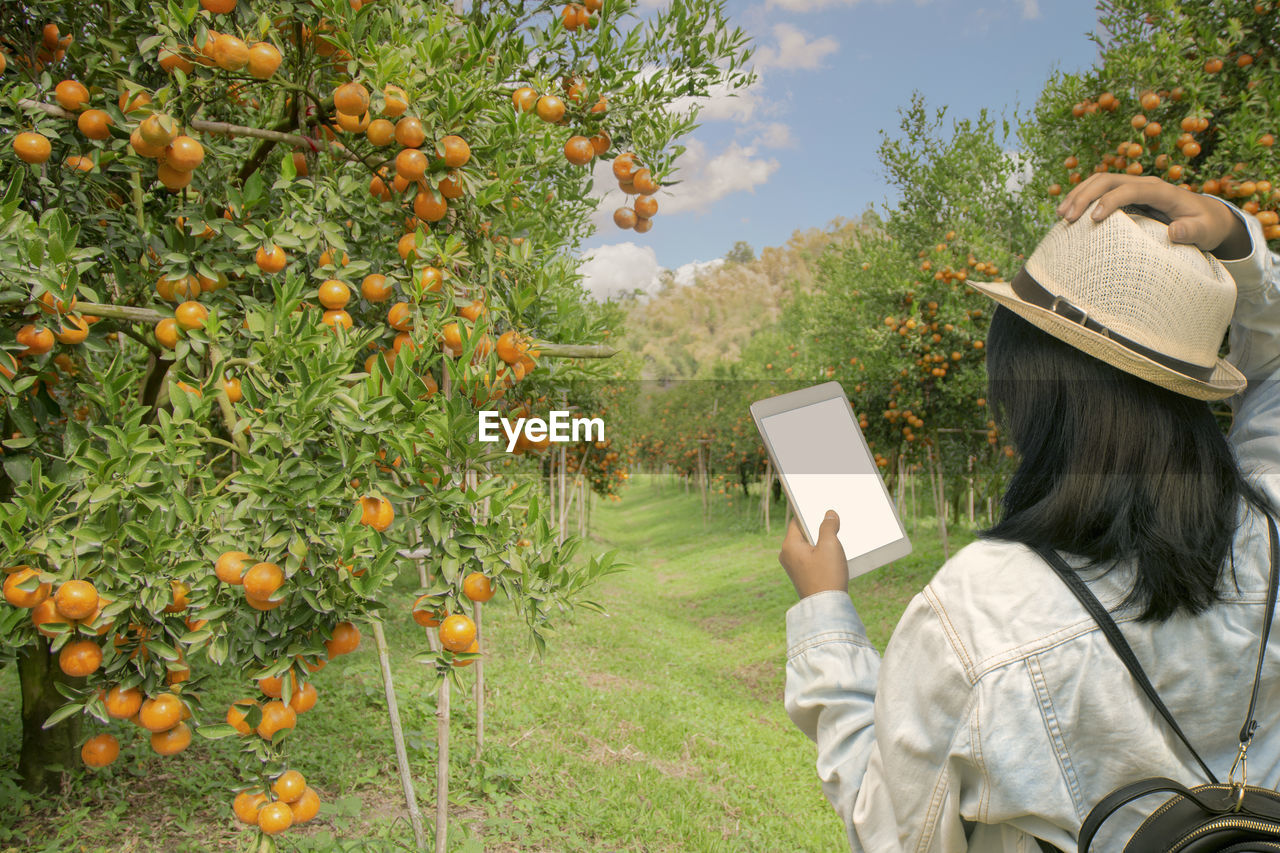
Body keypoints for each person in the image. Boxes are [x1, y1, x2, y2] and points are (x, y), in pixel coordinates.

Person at [778, 173, 1280, 852]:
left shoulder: (981, 608)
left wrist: (825, 609)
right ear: (1193, 388)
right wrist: (1235, 235)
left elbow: (891, 833)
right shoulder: (1270, 524)